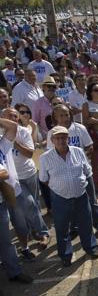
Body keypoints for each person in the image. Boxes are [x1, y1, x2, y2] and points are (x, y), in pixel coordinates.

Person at [39, 126, 98, 267]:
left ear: (68, 138)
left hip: (81, 196)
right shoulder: (45, 158)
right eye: (57, 138)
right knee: (62, 228)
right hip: (60, 199)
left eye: (63, 137)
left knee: (86, 224)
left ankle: (91, 247)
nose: (61, 140)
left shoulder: (78, 152)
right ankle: (65, 254)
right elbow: (43, 179)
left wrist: (91, 194)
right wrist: (58, 187)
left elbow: (88, 172)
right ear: (52, 140)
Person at [2, 108, 49, 259]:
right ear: (3, 118)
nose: (15, 118)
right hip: (13, 181)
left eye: (16, 116)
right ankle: (42, 233)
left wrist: (14, 142)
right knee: (28, 204)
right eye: (11, 116)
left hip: (30, 174)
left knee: (33, 204)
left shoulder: (22, 132)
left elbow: (30, 153)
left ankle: (34, 231)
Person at [0, 114, 34, 286]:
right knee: (4, 238)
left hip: (11, 192)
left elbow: (12, 126)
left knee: (15, 231)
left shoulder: (2, 142)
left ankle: (15, 270)